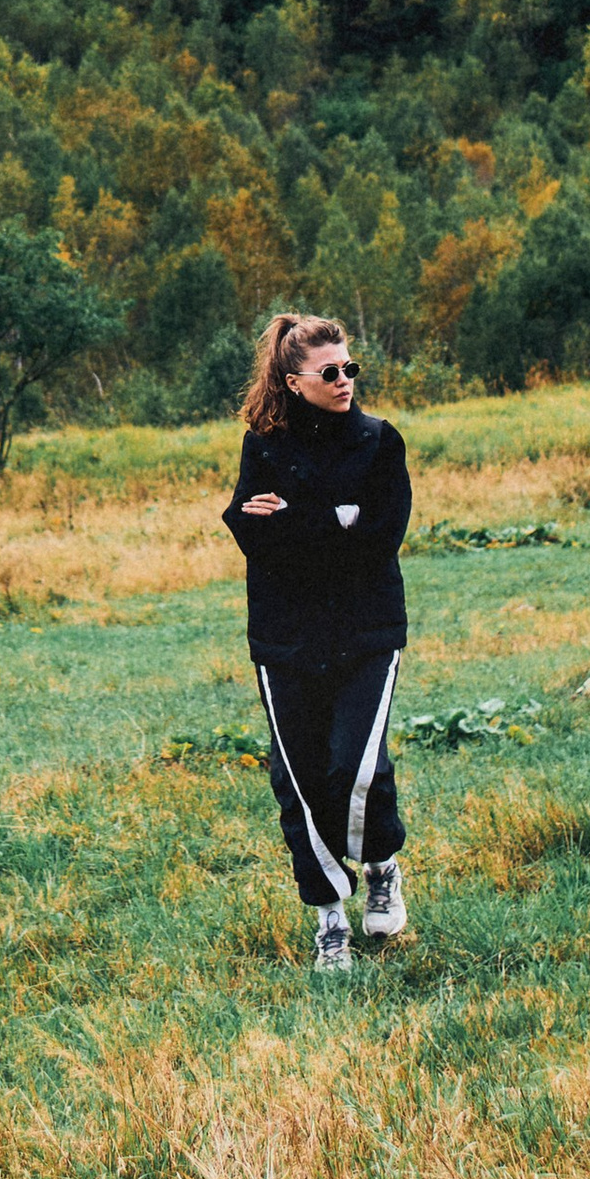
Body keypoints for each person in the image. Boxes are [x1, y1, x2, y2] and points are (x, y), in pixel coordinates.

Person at [222, 311, 413, 974]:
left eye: (350, 368)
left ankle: (382, 865)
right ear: (293, 380)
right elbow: (250, 531)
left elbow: (380, 537)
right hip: (284, 638)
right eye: (329, 373)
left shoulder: (380, 443)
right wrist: (334, 520)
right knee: (300, 778)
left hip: (367, 631)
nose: (344, 382)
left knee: (355, 764)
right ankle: (331, 915)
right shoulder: (263, 448)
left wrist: (298, 524)